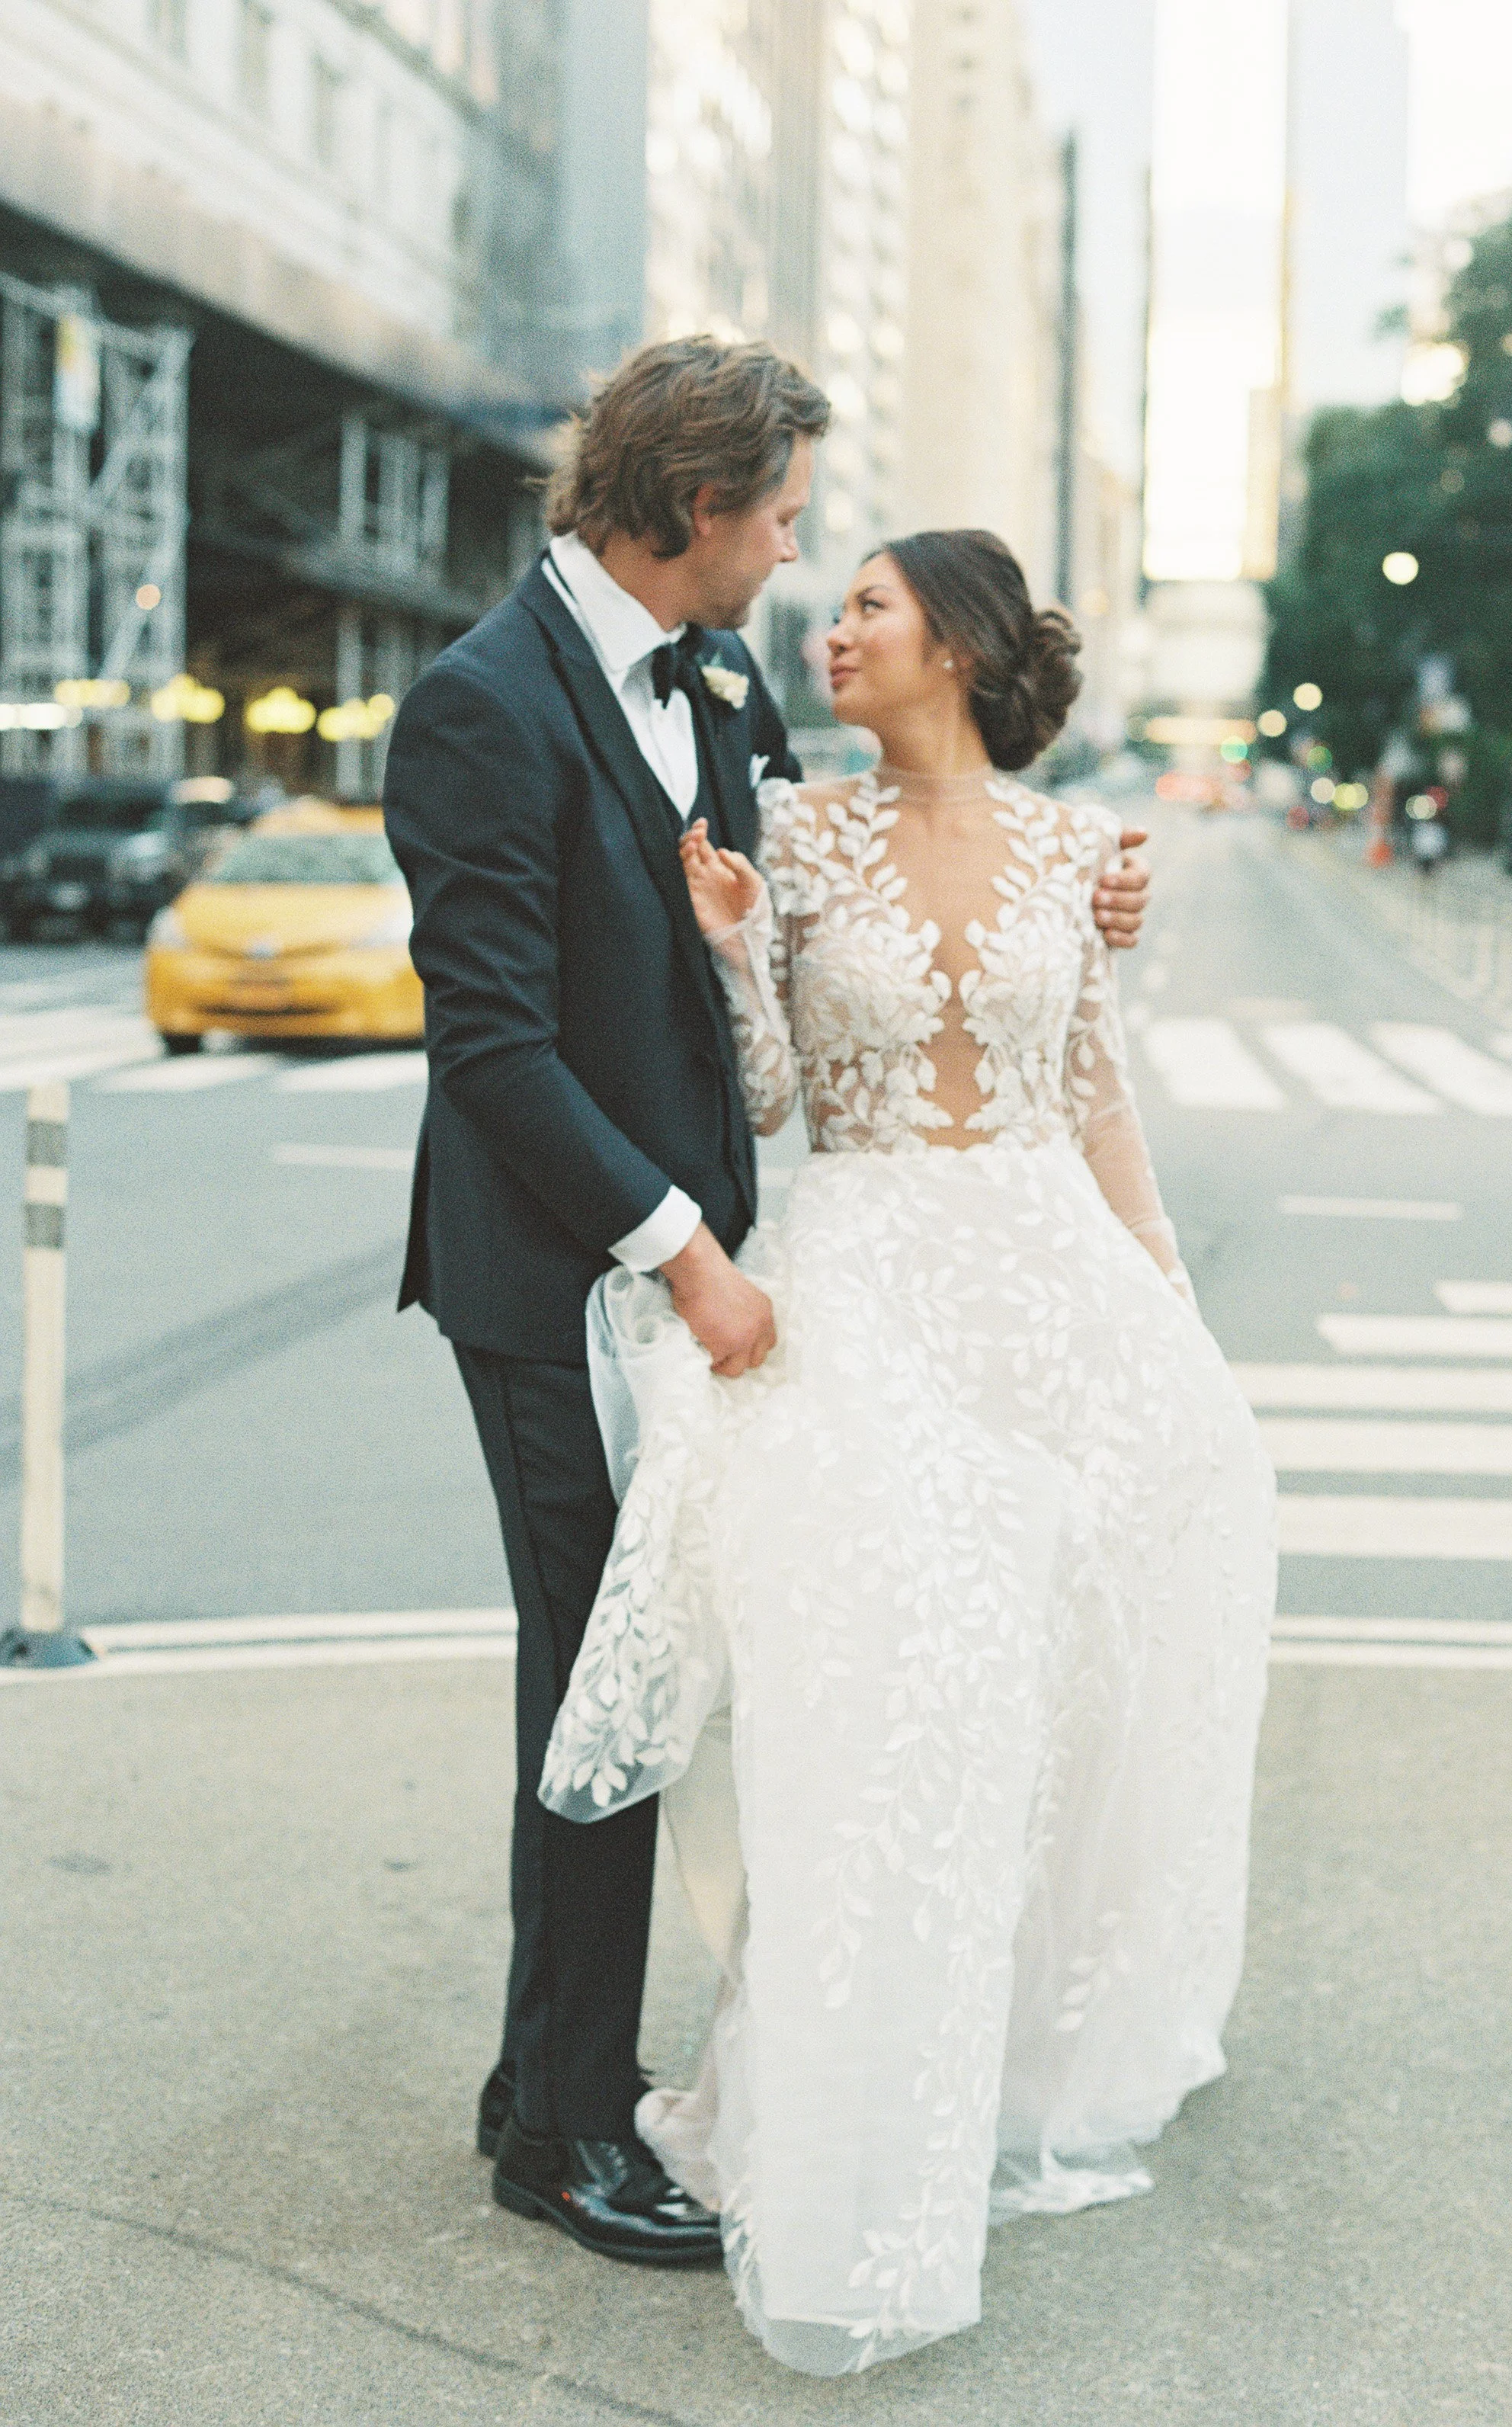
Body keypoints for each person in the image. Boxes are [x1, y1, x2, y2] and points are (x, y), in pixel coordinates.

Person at [382, 340, 1152, 2268]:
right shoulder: (480, 704)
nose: (798, 553)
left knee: (662, 1664)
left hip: (704, 1272)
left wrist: (1077, 898)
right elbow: (492, 1046)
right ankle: (564, 2127)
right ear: (697, 505)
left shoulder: (713, 679)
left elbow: (845, 900)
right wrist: (688, 1252)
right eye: (784, 515)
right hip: (559, 1274)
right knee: (609, 1669)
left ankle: (542, 2067)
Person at [541, 529, 1277, 2371]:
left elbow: (1091, 1090)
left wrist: (1165, 1292)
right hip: (869, 1269)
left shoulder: (1074, 847)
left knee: (1084, 1666)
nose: (837, 626)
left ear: (953, 639)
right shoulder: (790, 831)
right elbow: (774, 1098)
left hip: (1052, 1275)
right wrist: (732, 950)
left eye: (869, 602)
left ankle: (1024, 2042)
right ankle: (848, 2077)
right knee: (900, 1679)